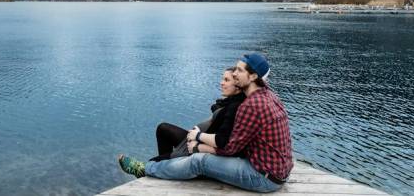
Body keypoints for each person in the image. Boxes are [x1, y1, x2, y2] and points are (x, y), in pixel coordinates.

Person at [118, 53, 293, 193]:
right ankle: (159, 169)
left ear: (253, 76)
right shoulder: (269, 95)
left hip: (262, 177)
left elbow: (229, 148)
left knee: (199, 162)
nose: (234, 74)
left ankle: (146, 169)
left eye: (239, 70)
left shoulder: (251, 105)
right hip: (277, 171)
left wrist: (199, 145)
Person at [150, 66, 245, 161]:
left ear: (238, 85)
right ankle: (168, 163)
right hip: (198, 140)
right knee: (163, 129)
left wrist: (198, 136)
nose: (221, 83)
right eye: (222, 79)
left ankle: (167, 163)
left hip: (199, 145)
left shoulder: (234, 107)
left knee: (153, 162)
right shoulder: (229, 103)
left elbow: (222, 140)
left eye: (226, 80)